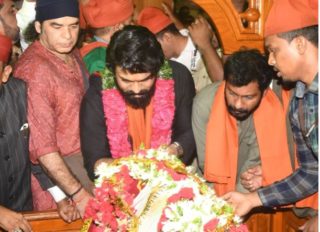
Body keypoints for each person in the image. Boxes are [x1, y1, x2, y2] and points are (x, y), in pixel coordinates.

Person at [223, 1, 318, 231]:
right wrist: (251, 199)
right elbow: (311, 173)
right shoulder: (300, 102)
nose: (270, 61)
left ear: (299, 44)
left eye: (274, 50)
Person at [80, 25, 196, 181]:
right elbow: (95, 161)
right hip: (119, 184)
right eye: (126, 81)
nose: (136, 89)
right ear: (112, 71)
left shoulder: (178, 77)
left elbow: (190, 131)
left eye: (145, 80)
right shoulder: (96, 95)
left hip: (171, 178)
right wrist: (133, 169)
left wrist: (174, 150)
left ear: (157, 69)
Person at [14, 0, 92, 217]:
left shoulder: (72, 52)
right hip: (57, 187)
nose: (67, 36)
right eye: (56, 26)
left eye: (73, 26)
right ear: (39, 27)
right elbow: (43, 150)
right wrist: (78, 194)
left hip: (85, 169)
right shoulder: (34, 71)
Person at [192, 49, 293, 195]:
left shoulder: (272, 109)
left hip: (250, 187)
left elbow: (254, 162)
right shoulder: (204, 103)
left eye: (248, 97)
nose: (238, 104)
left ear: (264, 93)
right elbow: (205, 161)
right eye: (232, 93)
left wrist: (237, 203)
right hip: (208, 188)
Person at [137, 6, 223, 92]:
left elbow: (222, 84)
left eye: (152, 47)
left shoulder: (203, 44)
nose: (152, 53)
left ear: (167, 38)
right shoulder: (165, 62)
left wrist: (206, 44)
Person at [0, 32, 32, 232]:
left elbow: (38, 146)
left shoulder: (21, 93)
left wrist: (60, 196)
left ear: (5, 73)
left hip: (26, 213)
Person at [79, 0, 134, 74]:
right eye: (129, 23)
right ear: (117, 27)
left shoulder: (100, 50)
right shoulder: (99, 62)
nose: (133, 26)